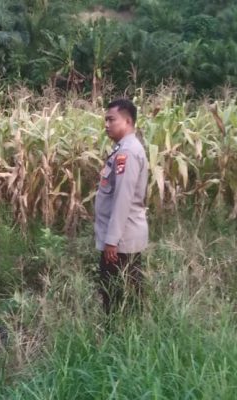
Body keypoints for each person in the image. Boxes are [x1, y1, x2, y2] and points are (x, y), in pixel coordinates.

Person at [94, 99, 149, 314]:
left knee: (116, 296)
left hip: (121, 242)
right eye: (105, 120)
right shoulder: (122, 149)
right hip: (121, 239)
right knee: (121, 294)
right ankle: (125, 337)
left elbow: (123, 199)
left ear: (127, 121)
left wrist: (111, 241)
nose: (106, 124)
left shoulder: (128, 153)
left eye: (111, 119)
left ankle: (119, 337)